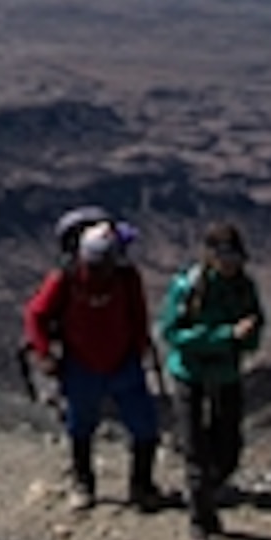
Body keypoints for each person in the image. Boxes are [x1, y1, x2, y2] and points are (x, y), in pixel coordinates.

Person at [25, 215, 165, 512]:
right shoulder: (66, 279)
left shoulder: (125, 278)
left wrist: (137, 349)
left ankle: (141, 486)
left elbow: (138, 316)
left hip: (121, 362)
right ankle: (83, 482)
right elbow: (36, 315)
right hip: (82, 364)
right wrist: (44, 353)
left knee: (144, 427)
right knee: (81, 426)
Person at [161, 221, 265, 540]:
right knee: (195, 448)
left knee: (228, 446)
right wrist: (224, 336)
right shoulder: (188, 286)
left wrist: (246, 336)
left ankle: (208, 493)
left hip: (226, 376)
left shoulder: (243, 287)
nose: (232, 263)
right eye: (225, 256)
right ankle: (200, 522)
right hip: (191, 375)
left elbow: (254, 331)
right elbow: (173, 333)